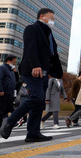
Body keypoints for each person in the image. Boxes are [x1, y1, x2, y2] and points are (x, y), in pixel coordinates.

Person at [0, 8, 63, 142]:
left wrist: (57, 72)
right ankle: (10, 122)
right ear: (42, 16)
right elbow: (30, 48)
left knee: (39, 102)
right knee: (37, 97)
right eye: (51, 18)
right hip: (32, 70)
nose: (53, 21)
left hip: (44, 73)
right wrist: (35, 65)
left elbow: (53, 54)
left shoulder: (49, 33)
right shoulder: (32, 28)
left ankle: (33, 133)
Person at [0, 55, 17, 127]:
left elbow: (17, 81)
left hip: (10, 93)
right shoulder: (2, 68)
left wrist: (16, 72)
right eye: (14, 62)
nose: (14, 64)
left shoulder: (11, 70)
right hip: (4, 92)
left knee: (8, 109)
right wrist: (0, 90)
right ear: (8, 61)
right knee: (2, 110)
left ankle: (7, 123)